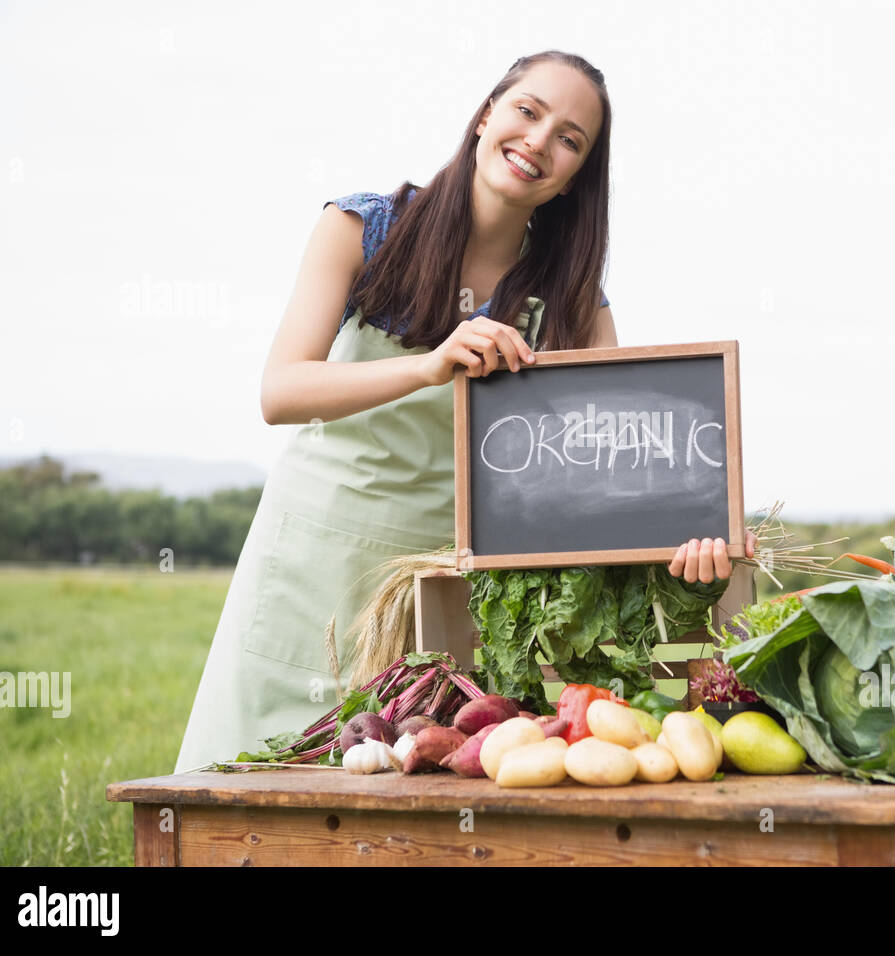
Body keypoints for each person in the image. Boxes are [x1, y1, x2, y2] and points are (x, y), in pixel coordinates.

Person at [173, 51, 754, 773]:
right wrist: (428, 363)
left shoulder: (575, 301)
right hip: (313, 559)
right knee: (244, 785)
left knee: (415, 792)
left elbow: (608, 477)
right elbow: (281, 390)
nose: (540, 142)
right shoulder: (363, 228)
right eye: (528, 111)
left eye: (570, 139)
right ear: (486, 114)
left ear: (578, 175)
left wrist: (685, 541)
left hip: (447, 588)